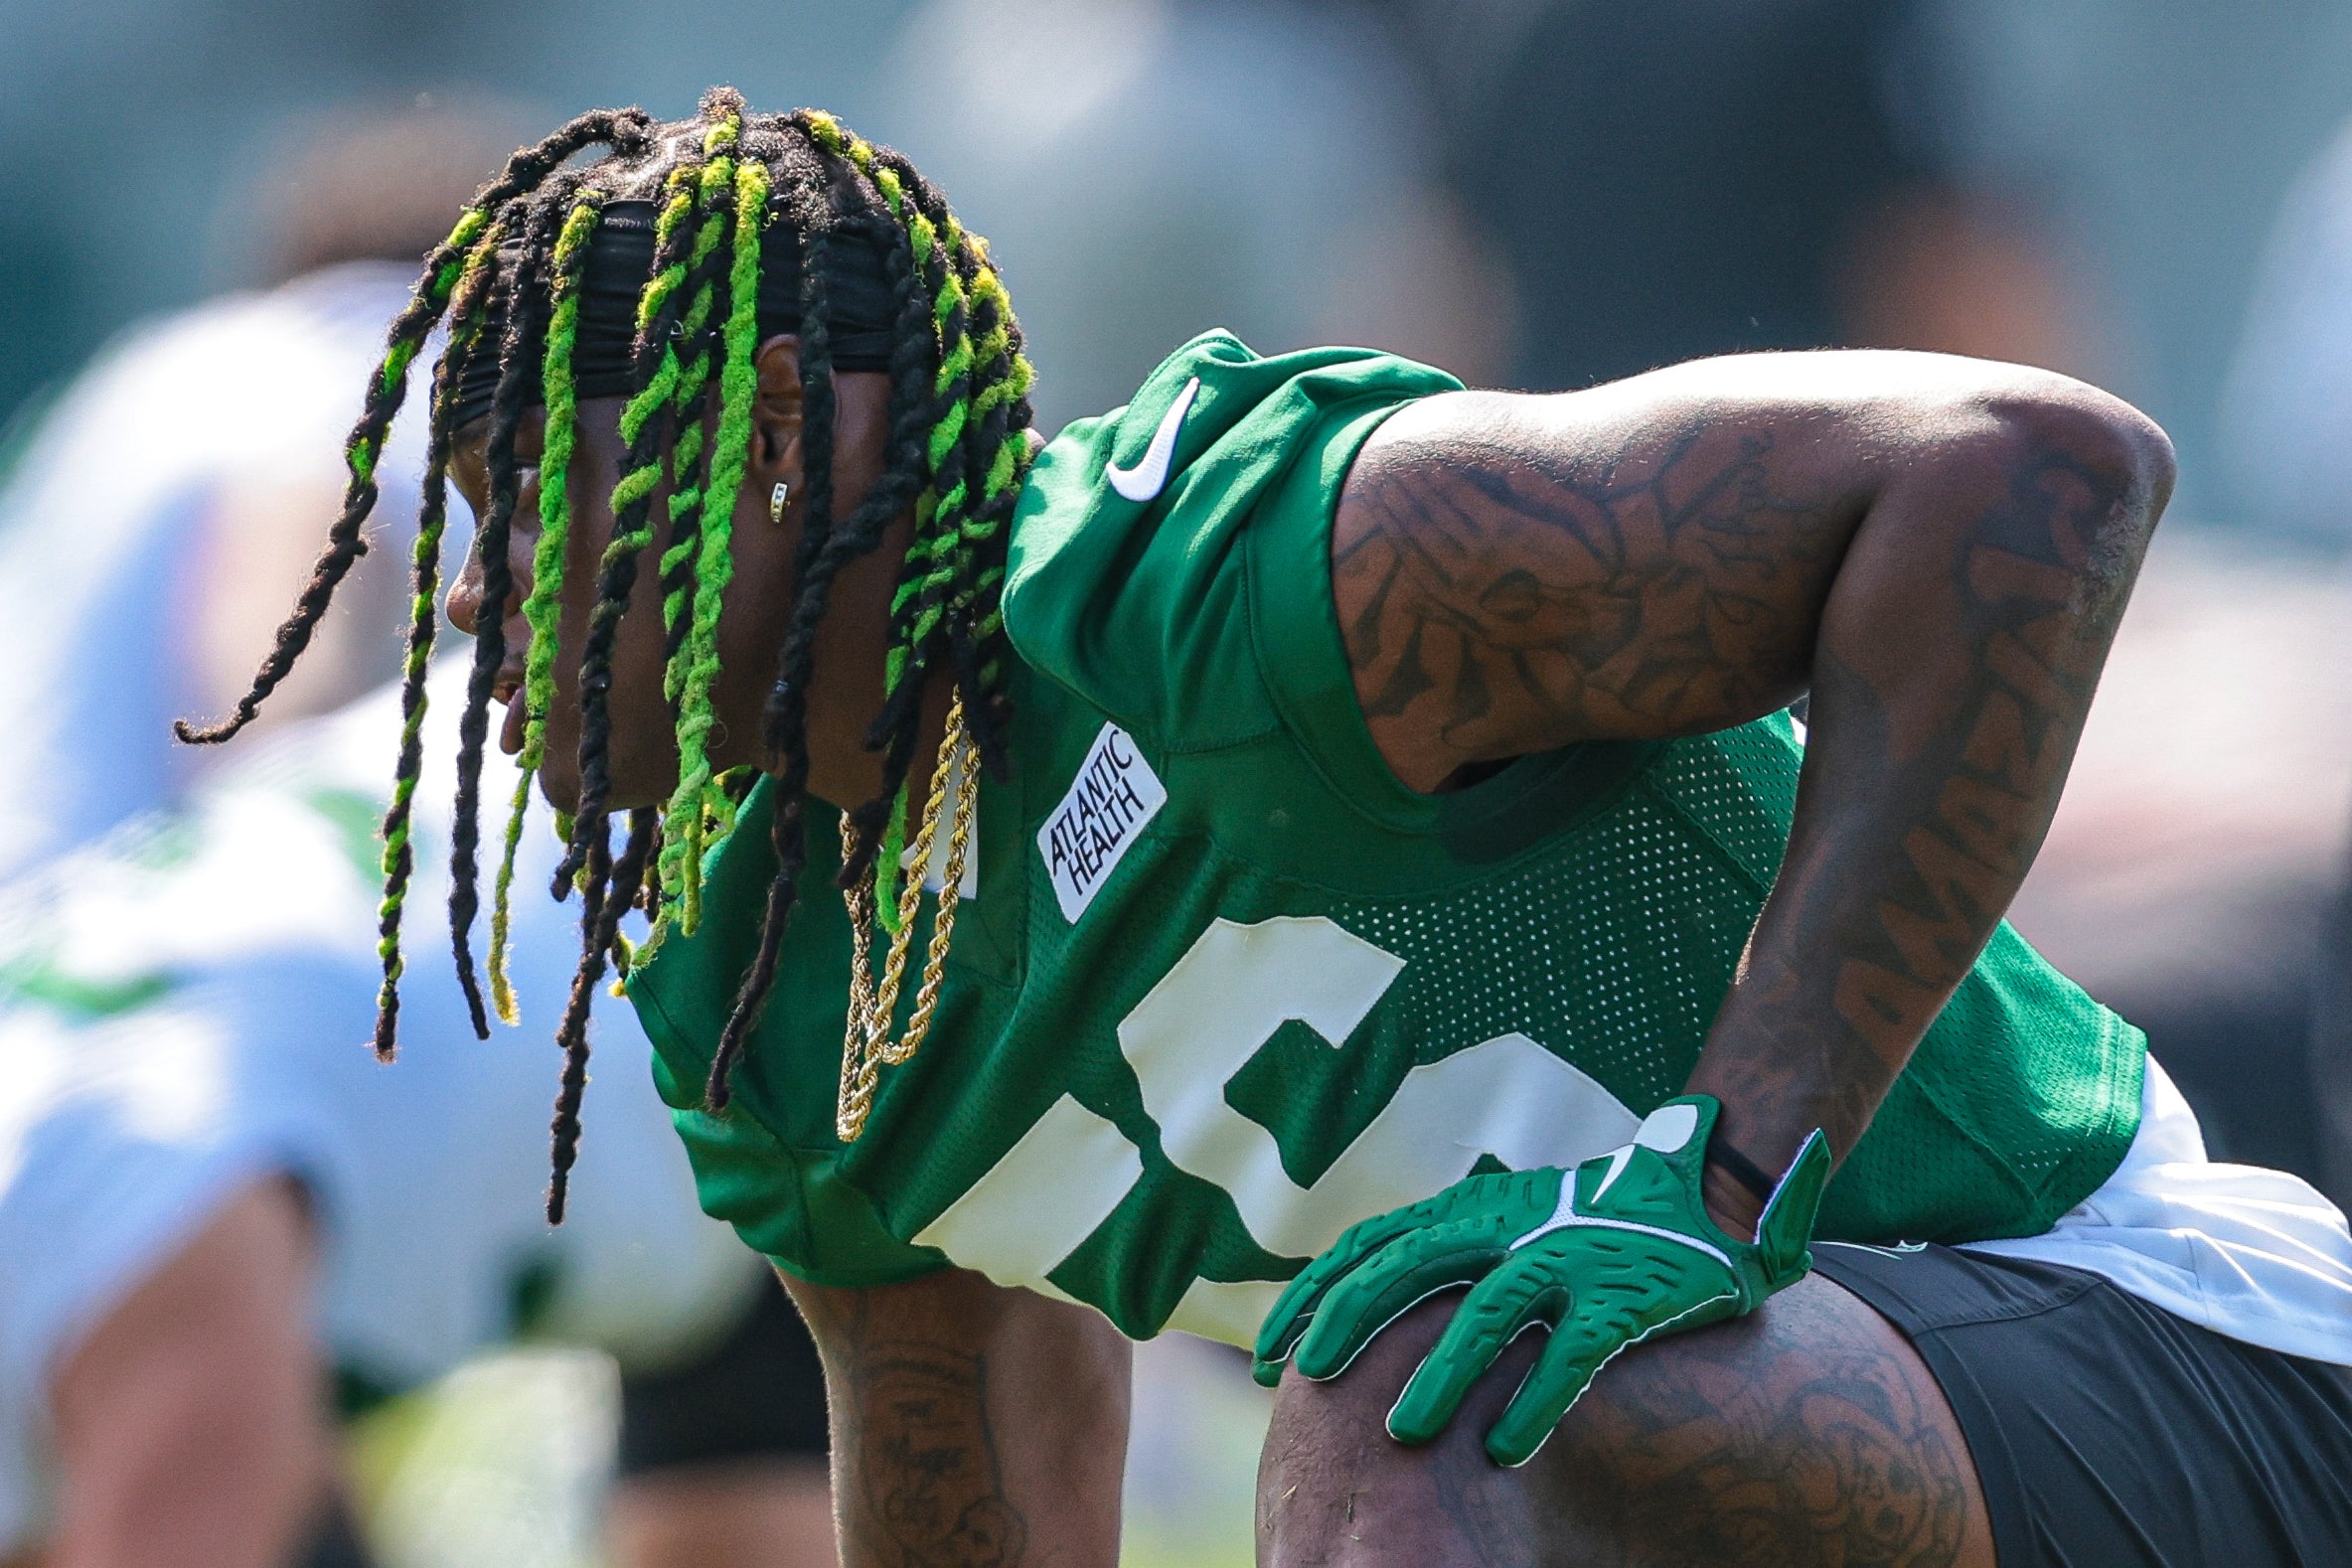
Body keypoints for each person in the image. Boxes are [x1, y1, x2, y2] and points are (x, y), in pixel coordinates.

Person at [198, 92, 2352, 1566]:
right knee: (1428, 1380)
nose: (466, 597)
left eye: (524, 515)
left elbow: (2023, 474)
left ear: (766, 452)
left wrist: (1719, 1165)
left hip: (2120, 1335)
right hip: (1668, 1483)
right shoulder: (775, 991)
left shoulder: (1223, 589)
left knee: (1409, 1380)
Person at [0, 109, 837, 1568]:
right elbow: (285, 621)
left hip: (639, 986)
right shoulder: (338, 370)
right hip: (317, 949)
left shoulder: (175, 379)